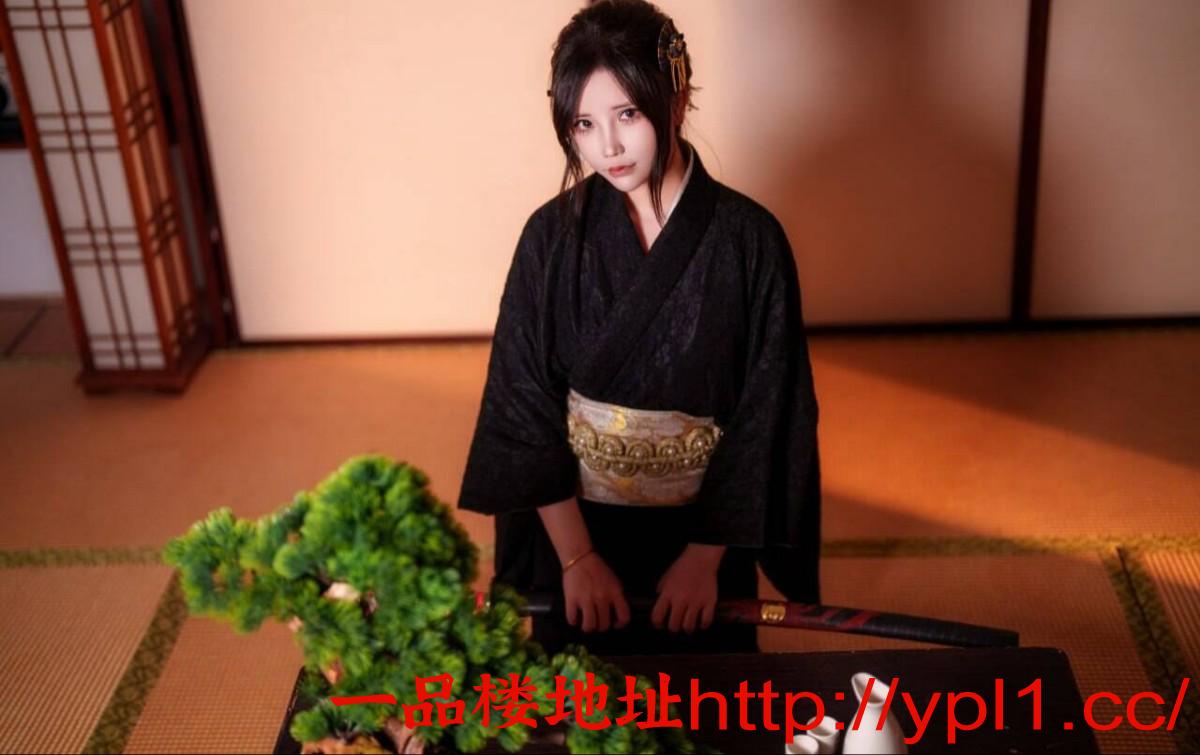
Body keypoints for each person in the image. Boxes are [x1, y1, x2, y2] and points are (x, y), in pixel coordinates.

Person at [459, 0, 820, 657]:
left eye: (627, 114)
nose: (608, 147)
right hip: (576, 537)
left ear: (676, 98)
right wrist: (576, 558)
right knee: (574, 703)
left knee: (711, 707)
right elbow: (522, 403)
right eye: (584, 124)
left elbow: (769, 412)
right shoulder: (549, 238)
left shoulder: (750, 241)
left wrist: (705, 557)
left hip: (703, 542)